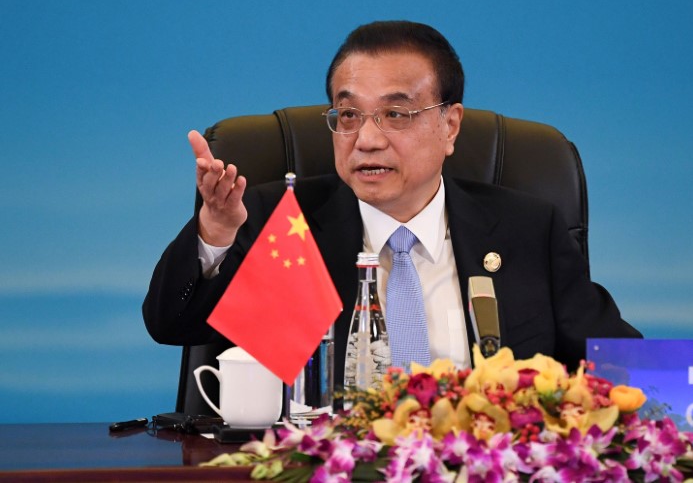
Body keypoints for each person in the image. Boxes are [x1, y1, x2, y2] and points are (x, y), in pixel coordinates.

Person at [142, 20, 641, 383]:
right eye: (349, 114)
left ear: (450, 125)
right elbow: (171, 325)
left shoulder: (526, 229)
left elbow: (622, 366)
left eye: (396, 115)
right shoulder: (283, 224)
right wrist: (215, 233)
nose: (367, 140)